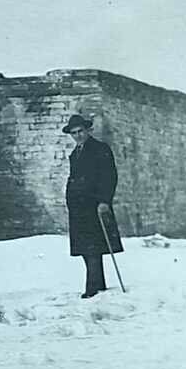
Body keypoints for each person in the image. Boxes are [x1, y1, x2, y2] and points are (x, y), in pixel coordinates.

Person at [63, 114, 123, 298]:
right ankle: (99, 284)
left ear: (88, 130)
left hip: (94, 205)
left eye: (81, 131)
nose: (78, 135)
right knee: (85, 247)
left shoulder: (100, 149)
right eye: (74, 133)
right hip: (78, 208)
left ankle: (93, 288)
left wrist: (104, 201)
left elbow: (109, 176)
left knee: (93, 247)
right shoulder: (75, 153)